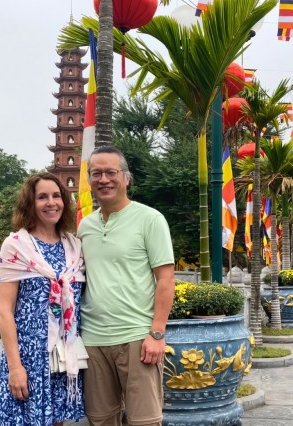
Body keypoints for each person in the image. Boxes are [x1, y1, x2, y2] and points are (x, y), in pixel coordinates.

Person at [78, 146, 175, 426]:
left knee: (144, 421)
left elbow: (165, 278)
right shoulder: (85, 227)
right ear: (89, 180)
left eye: (111, 172)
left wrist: (157, 333)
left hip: (136, 338)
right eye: (96, 173)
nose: (104, 180)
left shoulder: (150, 219)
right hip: (93, 341)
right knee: (100, 420)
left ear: (126, 178)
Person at [0, 173, 85, 426]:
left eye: (57, 196)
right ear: (30, 204)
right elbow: (4, 311)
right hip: (29, 357)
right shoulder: (16, 246)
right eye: (42, 197)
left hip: (62, 356)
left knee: (57, 422)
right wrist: (15, 367)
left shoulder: (74, 247)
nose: (51, 203)